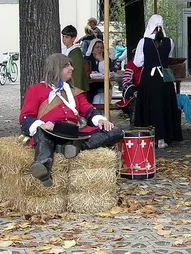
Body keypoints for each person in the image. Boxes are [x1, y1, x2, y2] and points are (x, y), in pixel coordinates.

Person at [18, 53, 123, 187]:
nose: (72, 69)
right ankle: (43, 167)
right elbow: (25, 117)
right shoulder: (36, 90)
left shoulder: (75, 92)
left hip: (73, 134)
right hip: (51, 132)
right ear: (56, 68)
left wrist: (100, 120)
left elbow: (88, 110)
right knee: (42, 134)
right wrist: (42, 125)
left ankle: (76, 147)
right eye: (66, 65)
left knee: (116, 131)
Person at [134, 14, 182, 148]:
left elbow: (138, 63)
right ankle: (164, 137)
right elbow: (168, 58)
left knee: (150, 105)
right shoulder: (169, 41)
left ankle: (149, 137)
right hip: (164, 79)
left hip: (149, 77)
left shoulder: (143, 42)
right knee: (164, 105)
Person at [61, 25, 89, 93]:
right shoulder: (63, 50)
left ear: (73, 38)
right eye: (63, 36)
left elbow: (77, 73)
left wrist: (75, 88)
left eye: (67, 37)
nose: (64, 39)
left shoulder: (76, 52)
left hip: (73, 85)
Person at [116, 59, 142, 124]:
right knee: (136, 100)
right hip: (135, 90)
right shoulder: (132, 63)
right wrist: (134, 92)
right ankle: (134, 125)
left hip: (151, 90)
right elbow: (126, 81)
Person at [84, 38, 109, 104]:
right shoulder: (87, 60)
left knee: (99, 98)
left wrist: (101, 60)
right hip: (90, 86)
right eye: (97, 47)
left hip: (103, 86)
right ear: (92, 48)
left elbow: (106, 73)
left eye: (101, 47)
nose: (99, 49)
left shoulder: (107, 58)